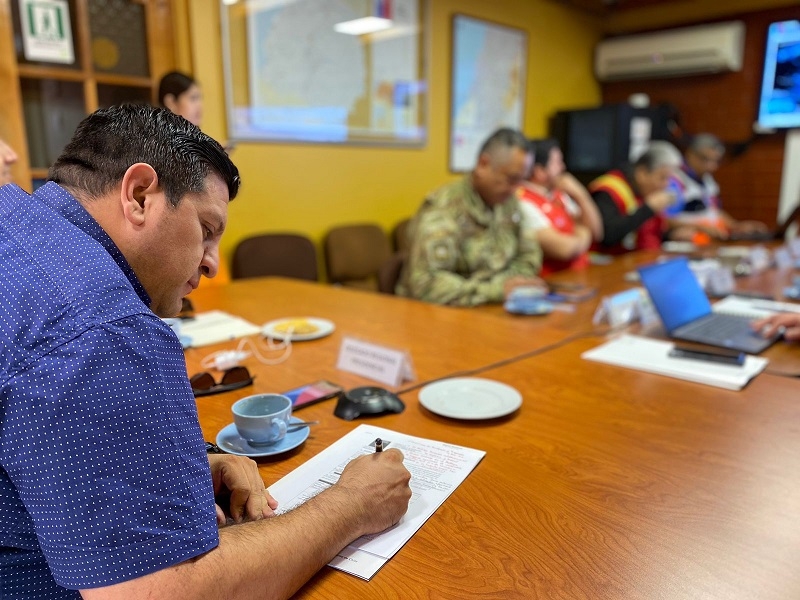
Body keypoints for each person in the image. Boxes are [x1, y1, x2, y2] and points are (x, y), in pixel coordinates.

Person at [0, 104, 411, 599]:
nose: (213, 264)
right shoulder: (103, 327)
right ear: (139, 195)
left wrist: (182, 463)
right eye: (207, 229)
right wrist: (352, 505)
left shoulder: (17, 223)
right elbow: (166, 593)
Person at [396, 127, 544, 306]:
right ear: (483, 164)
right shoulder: (444, 208)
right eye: (511, 179)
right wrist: (495, 290)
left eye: (522, 180)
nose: (516, 189)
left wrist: (504, 286)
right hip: (436, 316)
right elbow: (427, 283)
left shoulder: (508, 202)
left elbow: (529, 256)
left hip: (491, 308)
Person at [517, 138, 603, 275]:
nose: (563, 167)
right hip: (553, 283)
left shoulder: (559, 194)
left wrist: (580, 194)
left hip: (581, 275)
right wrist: (583, 235)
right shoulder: (522, 201)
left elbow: (597, 232)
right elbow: (564, 250)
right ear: (539, 171)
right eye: (557, 163)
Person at [664, 133, 770, 242]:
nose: (712, 166)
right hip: (688, 239)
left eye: (716, 161)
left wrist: (736, 226)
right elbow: (666, 219)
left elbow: (714, 212)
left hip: (713, 238)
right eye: (705, 159)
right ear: (690, 154)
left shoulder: (708, 180)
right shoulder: (674, 181)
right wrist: (701, 228)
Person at [589, 140, 682, 253]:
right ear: (642, 174)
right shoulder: (608, 191)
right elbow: (608, 236)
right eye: (662, 178)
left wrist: (670, 235)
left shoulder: (643, 192)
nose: (666, 185)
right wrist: (648, 208)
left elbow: (646, 234)